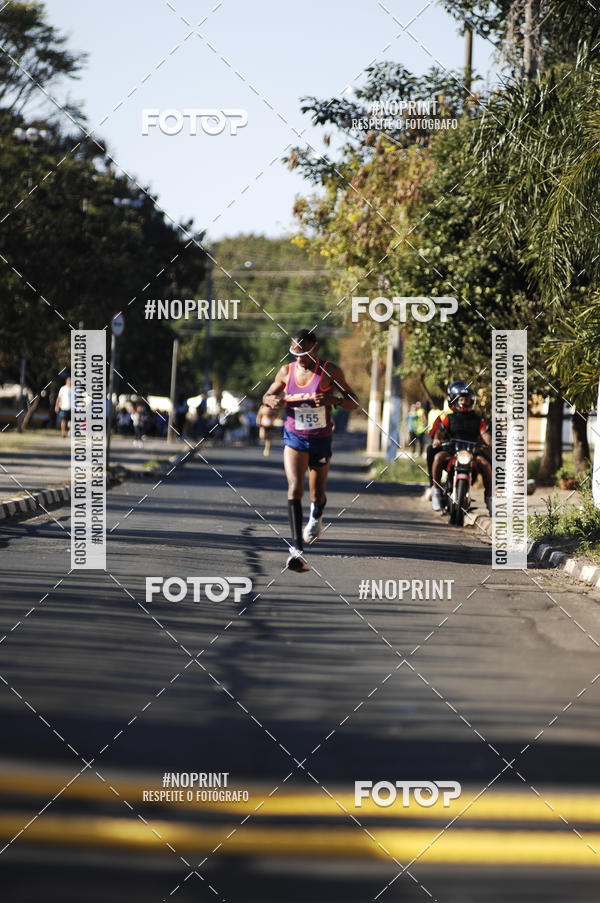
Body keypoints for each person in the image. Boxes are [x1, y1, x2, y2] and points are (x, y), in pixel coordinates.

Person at [262, 329, 359, 572]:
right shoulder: (286, 371)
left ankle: (316, 515)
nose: (300, 359)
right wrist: (269, 401)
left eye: (304, 353)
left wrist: (333, 400)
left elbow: (354, 402)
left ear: (315, 349)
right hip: (294, 436)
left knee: (317, 494)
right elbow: (267, 395)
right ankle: (296, 549)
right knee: (295, 487)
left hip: (321, 438)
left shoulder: (330, 371)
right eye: (295, 353)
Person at [430, 380, 493, 515]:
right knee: (438, 457)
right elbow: (440, 431)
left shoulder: (478, 419)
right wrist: (436, 440)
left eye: (467, 400)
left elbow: (484, 433)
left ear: (472, 402)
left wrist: (490, 442)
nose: (464, 402)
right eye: (461, 399)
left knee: (486, 465)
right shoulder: (449, 417)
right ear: (456, 401)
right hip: (452, 451)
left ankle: (490, 499)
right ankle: (436, 492)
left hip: (471, 453)